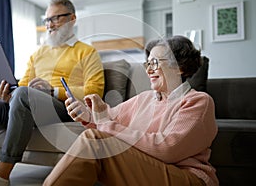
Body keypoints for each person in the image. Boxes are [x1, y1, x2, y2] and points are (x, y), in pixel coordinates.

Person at [0, 0, 104, 186]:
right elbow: (23, 84)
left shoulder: (87, 52)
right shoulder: (38, 54)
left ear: (72, 19)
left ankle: (0, 176)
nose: (50, 25)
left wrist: (52, 91)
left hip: (63, 107)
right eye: (47, 20)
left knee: (24, 94)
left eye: (56, 18)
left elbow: (95, 90)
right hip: (26, 104)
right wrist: (8, 94)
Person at [43, 35, 219, 186]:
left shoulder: (198, 101)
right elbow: (109, 120)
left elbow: (166, 149)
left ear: (179, 67)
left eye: (155, 63)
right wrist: (88, 115)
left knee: (95, 141)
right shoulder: (145, 98)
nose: (149, 70)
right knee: (97, 140)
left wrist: (104, 124)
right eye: (148, 63)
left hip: (187, 178)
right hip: (150, 170)